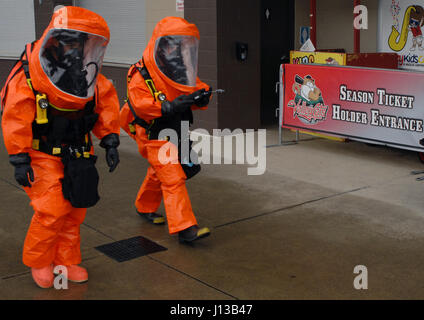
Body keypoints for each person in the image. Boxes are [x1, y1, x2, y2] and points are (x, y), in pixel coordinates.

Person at [1, 6, 120, 288]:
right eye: (70, 41)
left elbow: (105, 106)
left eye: (81, 42)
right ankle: (40, 260)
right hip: (42, 152)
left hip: (79, 152)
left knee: (75, 209)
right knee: (52, 209)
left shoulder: (90, 78)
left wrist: (110, 140)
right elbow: (15, 116)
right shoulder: (30, 76)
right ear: (55, 40)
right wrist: (19, 158)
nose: (75, 48)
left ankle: (66, 260)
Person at [120, 17, 212, 243]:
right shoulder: (141, 73)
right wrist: (166, 106)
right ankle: (185, 229)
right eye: (173, 43)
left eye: (181, 44)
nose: (178, 48)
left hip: (176, 130)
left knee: (157, 172)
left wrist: (203, 95)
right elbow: (139, 103)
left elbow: (194, 86)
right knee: (172, 176)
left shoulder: (178, 66)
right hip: (153, 133)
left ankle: (144, 206)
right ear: (160, 44)